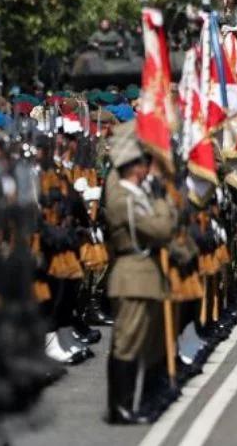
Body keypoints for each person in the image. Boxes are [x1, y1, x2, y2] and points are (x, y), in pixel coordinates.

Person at [103, 133, 178, 425]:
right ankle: (120, 407)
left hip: (145, 277)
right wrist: (161, 201)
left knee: (146, 343)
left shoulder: (135, 194)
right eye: (145, 162)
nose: (149, 168)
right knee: (127, 343)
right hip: (132, 277)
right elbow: (160, 230)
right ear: (134, 166)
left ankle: (143, 399)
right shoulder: (123, 198)